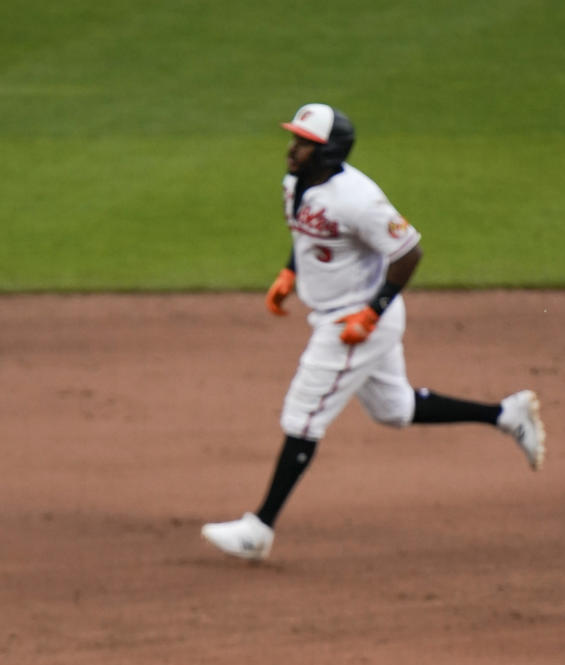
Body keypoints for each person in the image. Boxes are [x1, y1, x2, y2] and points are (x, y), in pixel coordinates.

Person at [202, 102, 546, 562]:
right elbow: (306, 236)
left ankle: (259, 529)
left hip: (352, 322)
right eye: (295, 139)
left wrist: (372, 312)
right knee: (395, 409)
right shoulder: (295, 184)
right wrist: (289, 275)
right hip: (337, 313)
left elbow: (409, 252)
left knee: (302, 417)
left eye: (304, 144)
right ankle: (507, 414)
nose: (293, 148)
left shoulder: (359, 199)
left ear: (328, 153)